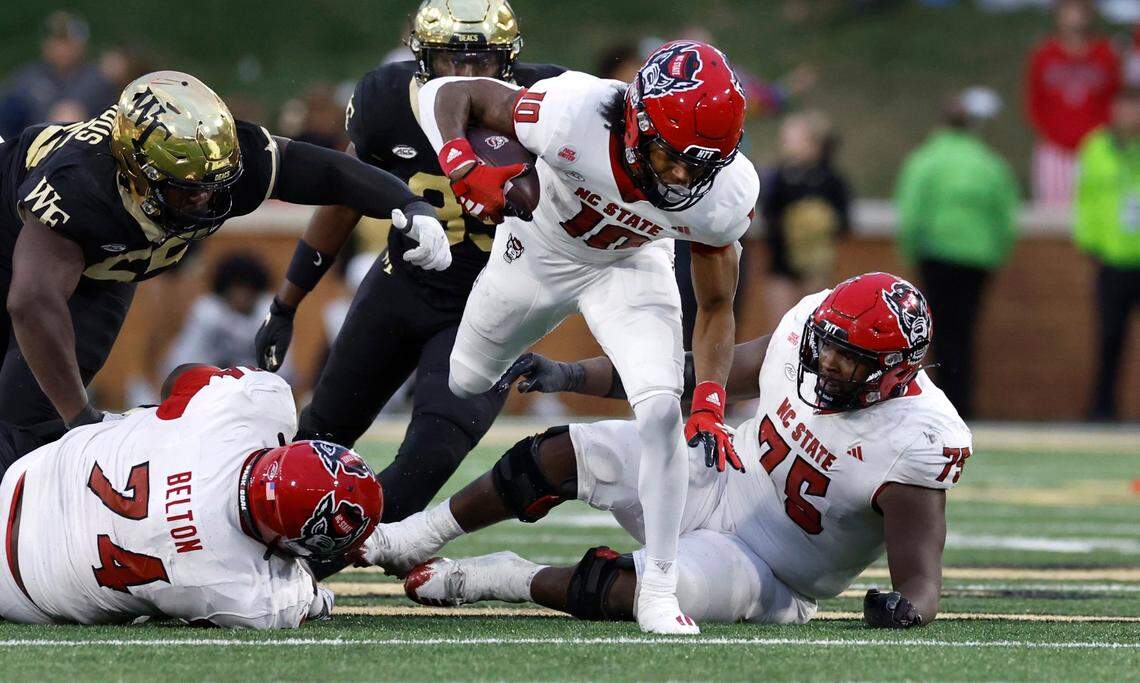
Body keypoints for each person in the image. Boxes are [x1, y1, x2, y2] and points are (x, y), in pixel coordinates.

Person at [362, 273, 970, 630]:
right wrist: (572, 376)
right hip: (722, 472)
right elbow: (691, 373)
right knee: (563, 452)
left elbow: (921, 580)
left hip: (769, 569)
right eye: (827, 345)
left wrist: (905, 609)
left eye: (850, 358)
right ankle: (419, 533)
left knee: (631, 591)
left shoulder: (915, 439)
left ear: (894, 371)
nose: (828, 362)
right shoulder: (808, 329)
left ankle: (504, 577)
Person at [410, 39, 759, 634]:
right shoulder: (571, 110)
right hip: (540, 247)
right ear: (636, 121)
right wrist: (463, 163)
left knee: (660, 411)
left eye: (698, 165)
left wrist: (709, 399)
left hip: (631, 266)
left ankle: (659, 589)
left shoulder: (724, 195)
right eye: (668, 154)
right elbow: (446, 92)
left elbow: (717, 303)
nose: (680, 175)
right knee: (466, 379)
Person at [0, 69, 450, 450]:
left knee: (36, 419)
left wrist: (408, 203)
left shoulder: (217, 162)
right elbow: (31, 301)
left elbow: (326, 171)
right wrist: (82, 420)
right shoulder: (80, 186)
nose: (205, 197)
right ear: (136, 172)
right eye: (187, 187)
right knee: (40, 418)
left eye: (213, 182)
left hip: (105, 268)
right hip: (14, 239)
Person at [255, 1, 563, 525]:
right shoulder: (387, 101)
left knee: (428, 460)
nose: (464, 75)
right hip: (402, 288)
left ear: (508, 60)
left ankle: (339, 549)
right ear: (422, 58)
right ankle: (270, 544)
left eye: (482, 62)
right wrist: (286, 304)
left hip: (494, 308)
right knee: (318, 437)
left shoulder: (553, 104)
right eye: (450, 60)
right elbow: (345, 196)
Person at [0, 364, 383, 627]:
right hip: (19, 591)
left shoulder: (252, 403)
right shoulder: (248, 594)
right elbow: (311, 597)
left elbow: (179, 378)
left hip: (25, 470)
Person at [895, 88, 1018, 419]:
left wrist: (910, 252)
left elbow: (911, 211)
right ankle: (963, 402)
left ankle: (939, 402)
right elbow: (1005, 215)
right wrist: (997, 254)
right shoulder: (989, 163)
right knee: (965, 330)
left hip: (935, 254)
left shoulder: (926, 159)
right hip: (977, 258)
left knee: (933, 331)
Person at [1073, 85, 1140, 421]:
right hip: (1112, 259)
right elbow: (1085, 198)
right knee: (1109, 336)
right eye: (1125, 107)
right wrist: (1091, 243)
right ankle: (1103, 408)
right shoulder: (1096, 147)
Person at [761, 110, 851, 329]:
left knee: (812, 325)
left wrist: (820, 224)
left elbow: (844, 222)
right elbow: (768, 214)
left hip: (815, 268)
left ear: (813, 142)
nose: (785, 143)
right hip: (780, 264)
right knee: (781, 327)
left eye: (793, 137)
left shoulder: (831, 180)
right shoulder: (779, 177)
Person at [1025, 0, 1120, 205]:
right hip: (1055, 149)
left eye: (1080, 10)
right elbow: (1033, 101)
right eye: (1068, 9)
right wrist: (1051, 133)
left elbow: (1116, 98)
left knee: (1101, 205)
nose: (1074, 16)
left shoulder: (1106, 54)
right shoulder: (1044, 54)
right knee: (1053, 214)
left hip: (1098, 147)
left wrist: (1104, 136)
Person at [160, 253, 286, 381]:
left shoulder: (269, 314)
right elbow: (181, 364)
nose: (241, 295)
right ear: (223, 289)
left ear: (257, 291)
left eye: (248, 289)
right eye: (235, 288)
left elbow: (282, 371)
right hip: (209, 384)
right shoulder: (207, 313)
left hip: (255, 386)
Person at [0, 12, 115, 140]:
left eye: (68, 42)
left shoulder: (99, 79)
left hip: (85, 147)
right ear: (45, 45)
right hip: (33, 148)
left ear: (81, 45)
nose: (62, 49)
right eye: (57, 42)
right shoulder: (26, 78)